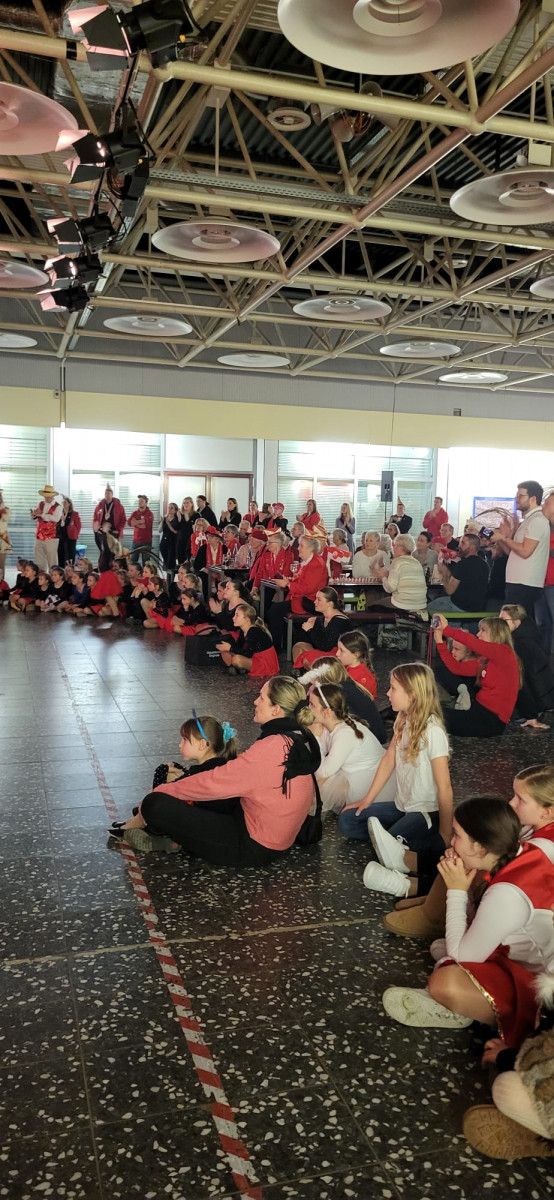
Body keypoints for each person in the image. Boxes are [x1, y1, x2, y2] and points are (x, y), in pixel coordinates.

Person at [382, 797, 554, 1046]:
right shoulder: (522, 853)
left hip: (540, 994)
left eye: (457, 835)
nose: (452, 843)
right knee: (440, 947)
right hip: (521, 959)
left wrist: (456, 890)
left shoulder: (507, 894)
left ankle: (462, 1009)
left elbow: (461, 957)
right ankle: (465, 1004)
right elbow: (480, 921)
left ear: (481, 848)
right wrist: (465, 882)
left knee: (445, 982)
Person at [109, 676, 321, 865]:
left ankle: (157, 831)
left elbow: (213, 783)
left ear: (276, 709)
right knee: (203, 796)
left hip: (254, 845)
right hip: (277, 836)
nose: (255, 701)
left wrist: (161, 791)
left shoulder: (272, 746)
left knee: (155, 804)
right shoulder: (298, 736)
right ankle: (166, 831)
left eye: (262, 698)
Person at [340, 664, 452, 894]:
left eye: (393, 688)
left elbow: (445, 787)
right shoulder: (404, 718)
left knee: (391, 844)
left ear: (413, 694)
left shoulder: (433, 731)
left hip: (425, 811)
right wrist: (367, 800)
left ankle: (408, 843)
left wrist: (446, 833)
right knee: (348, 820)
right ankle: (394, 840)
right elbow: (389, 759)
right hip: (402, 806)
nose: (388, 693)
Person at [109, 715, 240, 850]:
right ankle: (146, 825)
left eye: (185, 740)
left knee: (154, 805)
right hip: (220, 822)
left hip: (206, 831)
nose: (180, 744)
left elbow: (159, 796)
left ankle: (135, 829)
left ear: (202, 744)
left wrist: (161, 771)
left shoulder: (200, 774)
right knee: (173, 775)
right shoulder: (219, 765)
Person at [308, 682, 394, 815]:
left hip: (368, 778)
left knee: (316, 787)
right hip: (349, 772)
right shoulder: (328, 725)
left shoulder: (345, 734)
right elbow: (319, 757)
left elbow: (323, 772)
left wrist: (316, 737)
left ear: (327, 712)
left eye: (312, 705)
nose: (308, 709)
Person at [434, 614, 520, 737]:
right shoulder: (486, 659)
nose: (478, 634)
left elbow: (473, 642)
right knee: (433, 715)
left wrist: (447, 630)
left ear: (496, 633)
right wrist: (439, 642)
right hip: (478, 712)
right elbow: (456, 668)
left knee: (433, 718)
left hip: (490, 721)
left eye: (483, 630)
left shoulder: (504, 652)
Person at [491, 480, 550, 615]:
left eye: (521, 496)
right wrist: (501, 539)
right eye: (516, 496)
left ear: (533, 498)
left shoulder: (537, 520)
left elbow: (525, 551)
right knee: (512, 621)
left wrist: (505, 539)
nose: (516, 499)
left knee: (513, 621)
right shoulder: (528, 521)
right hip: (517, 581)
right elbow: (512, 552)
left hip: (525, 583)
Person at [298, 656, 386, 743]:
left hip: (369, 739)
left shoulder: (340, 692)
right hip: (373, 735)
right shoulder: (347, 685)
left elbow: (327, 719)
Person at [268, 534, 328, 653]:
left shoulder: (316, 564)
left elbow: (308, 588)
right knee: (275, 608)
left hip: (310, 602)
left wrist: (287, 584)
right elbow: (301, 581)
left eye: (301, 546)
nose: (298, 548)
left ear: (310, 548)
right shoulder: (307, 562)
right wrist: (288, 580)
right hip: (301, 599)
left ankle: (276, 648)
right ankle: (283, 644)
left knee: (275, 610)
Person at [500, 604, 554, 729]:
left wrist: (530, 714)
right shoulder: (527, 635)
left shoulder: (521, 644)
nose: (500, 624)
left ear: (516, 622)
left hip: (534, 703)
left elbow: (524, 681)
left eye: (503, 620)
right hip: (539, 700)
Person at [428, 532, 489, 615]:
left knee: (428, 608)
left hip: (460, 606)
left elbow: (449, 591)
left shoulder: (463, 564)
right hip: (478, 607)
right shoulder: (484, 564)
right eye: (460, 542)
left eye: (463, 543)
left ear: (472, 547)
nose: (459, 546)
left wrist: (444, 574)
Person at [292, 587, 351, 668]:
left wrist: (310, 630)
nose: (315, 602)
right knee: (298, 646)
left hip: (338, 654)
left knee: (308, 659)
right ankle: (302, 672)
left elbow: (326, 647)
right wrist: (309, 627)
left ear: (330, 603)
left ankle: (316, 674)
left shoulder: (339, 621)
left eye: (319, 600)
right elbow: (314, 641)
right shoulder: (322, 619)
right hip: (326, 650)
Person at [371, 533, 428, 617]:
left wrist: (383, 577)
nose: (393, 548)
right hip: (421, 604)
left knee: (371, 608)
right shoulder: (416, 562)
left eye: (395, 545)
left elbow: (390, 588)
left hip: (402, 604)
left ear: (401, 547)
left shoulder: (397, 561)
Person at [216, 602, 279, 677]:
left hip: (264, 663)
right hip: (253, 658)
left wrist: (230, 648)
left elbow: (248, 654)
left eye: (237, 615)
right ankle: (239, 669)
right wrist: (228, 647)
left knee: (237, 659)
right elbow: (239, 647)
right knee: (224, 651)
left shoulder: (254, 631)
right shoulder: (243, 631)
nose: (233, 618)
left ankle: (240, 669)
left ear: (246, 619)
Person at [534, 487, 554, 652]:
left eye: (548, 503)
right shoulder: (543, 527)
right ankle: (545, 657)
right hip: (540, 582)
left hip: (552, 584)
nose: (543, 506)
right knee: (542, 623)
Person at [335, 629, 378, 700]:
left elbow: (359, 702)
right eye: (338, 649)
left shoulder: (364, 677)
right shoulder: (345, 668)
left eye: (341, 650)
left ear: (356, 654)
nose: (337, 653)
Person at [31, 485, 63, 572]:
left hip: (51, 536)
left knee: (52, 559)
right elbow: (36, 515)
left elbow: (56, 519)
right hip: (39, 535)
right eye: (45, 496)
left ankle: (54, 576)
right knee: (39, 558)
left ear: (53, 496)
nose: (46, 498)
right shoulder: (41, 504)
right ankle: (41, 575)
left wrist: (41, 515)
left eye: (48, 496)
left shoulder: (58, 506)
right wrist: (34, 514)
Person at [93, 486, 126, 569]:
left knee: (112, 553)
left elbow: (123, 520)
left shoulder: (119, 506)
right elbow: (95, 518)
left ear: (112, 494)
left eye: (108, 493)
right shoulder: (100, 506)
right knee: (103, 551)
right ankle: (103, 568)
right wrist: (96, 527)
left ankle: (112, 568)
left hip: (113, 532)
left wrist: (118, 530)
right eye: (105, 493)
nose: (107, 495)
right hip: (102, 532)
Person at [129, 495, 154, 566]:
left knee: (146, 563)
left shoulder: (150, 514)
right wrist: (141, 522)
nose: (140, 502)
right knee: (132, 561)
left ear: (146, 503)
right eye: (139, 501)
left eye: (142, 501)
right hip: (135, 541)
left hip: (146, 542)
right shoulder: (134, 513)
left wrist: (135, 522)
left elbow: (145, 525)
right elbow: (130, 523)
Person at [56, 497, 81, 568]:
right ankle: (61, 569)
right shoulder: (59, 514)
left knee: (69, 555)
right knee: (60, 555)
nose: (63, 504)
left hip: (70, 538)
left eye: (65, 502)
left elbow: (78, 526)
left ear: (69, 504)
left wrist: (72, 527)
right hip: (60, 537)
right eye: (62, 502)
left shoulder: (74, 514)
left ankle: (70, 570)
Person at [159, 502, 181, 572]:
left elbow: (175, 531)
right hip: (164, 541)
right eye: (169, 507)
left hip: (172, 542)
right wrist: (162, 521)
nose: (170, 509)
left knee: (171, 561)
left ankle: (171, 575)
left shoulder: (176, 519)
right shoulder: (165, 518)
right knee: (165, 561)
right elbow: (159, 530)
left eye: (172, 508)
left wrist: (168, 523)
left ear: (175, 510)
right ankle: (166, 575)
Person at [176, 497, 197, 563]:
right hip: (181, 541)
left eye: (187, 503)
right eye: (184, 503)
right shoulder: (180, 514)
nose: (185, 504)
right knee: (181, 561)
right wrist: (179, 518)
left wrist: (186, 516)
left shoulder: (196, 515)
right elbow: (176, 528)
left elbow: (191, 527)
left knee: (189, 562)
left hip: (190, 541)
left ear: (192, 504)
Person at [0, 489, 11, 571]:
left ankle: (2, 578)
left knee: (1, 563)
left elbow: (5, 518)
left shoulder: (6, 510)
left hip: (2, 538)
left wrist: (2, 508)